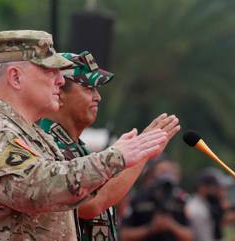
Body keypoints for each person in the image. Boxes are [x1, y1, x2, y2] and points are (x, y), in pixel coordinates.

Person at [0, 30, 170, 241]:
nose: (60, 80)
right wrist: (117, 157)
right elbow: (37, 188)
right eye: (49, 70)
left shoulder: (27, 132)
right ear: (15, 77)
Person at [39, 51, 181, 241]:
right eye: (88, 88)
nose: (97, 97)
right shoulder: (48, 144)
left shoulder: (76, 147)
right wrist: (142, 153)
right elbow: (90, 206)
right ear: (59, 92)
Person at [120, 157, 193, 241]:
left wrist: (171, 225)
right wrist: (151, 228)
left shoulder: (182, 200)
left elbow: (191, 236)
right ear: (151, 175)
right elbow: (124, 235)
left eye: (169, 171)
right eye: (162, 171)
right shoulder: (138, 200)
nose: (166, 175)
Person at [186, 169, 226, 241]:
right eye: (216, 187)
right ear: (203, 187)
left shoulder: (207, 204)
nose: (219, 190)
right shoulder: (197, 209)